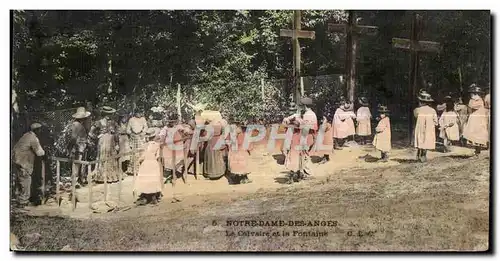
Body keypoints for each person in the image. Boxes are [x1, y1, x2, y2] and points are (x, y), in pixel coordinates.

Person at [282, 97, 318, 182]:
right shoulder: (307, 113)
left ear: (305, 106)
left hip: (307, 136)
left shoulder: (309, 115)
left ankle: (304, 173)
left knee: (302, 155)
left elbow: (307, 127)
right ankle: (301, 173)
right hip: (305, 136)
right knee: (301, 155)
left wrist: (297, 123)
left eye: (302, 106)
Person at [12, 123, 46, 208]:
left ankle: (19, 198)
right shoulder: (33, 138)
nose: (41, 131)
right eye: (40, 129)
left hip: (16, 159)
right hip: (23, 161)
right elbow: (39, 152)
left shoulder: (26, 135)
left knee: (20, 180)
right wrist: (45, 154)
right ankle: (24, 201)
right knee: (26, 180)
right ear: (37, 130)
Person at [159, 113, 193, 183]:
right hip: (169, 147)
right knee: (168, 162)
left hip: (178, 147)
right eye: (170, 122)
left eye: (173, 122)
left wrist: (186, 133)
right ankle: (167, 176)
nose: (171, 123)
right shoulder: (166, 128)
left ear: (175, 121)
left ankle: (175, 175)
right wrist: (162, 140)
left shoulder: (179, 127)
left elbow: (187, 132)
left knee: (179, 161)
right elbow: (162, 135)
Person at [89, 106, 119, 183]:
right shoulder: (98, 122)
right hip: (102, 143)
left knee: (111, 157)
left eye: (110, 114)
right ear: (104, 114)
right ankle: (102, 177)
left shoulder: (113, 122)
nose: (109, 116)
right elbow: (90, 133)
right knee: (103, 157)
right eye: (107, 114)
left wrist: (117, 143)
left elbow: (116, 133)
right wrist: (97, 137)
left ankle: (111, 177)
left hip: (111, 143)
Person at [134, 127, 162, 206]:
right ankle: (153, 197)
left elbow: (143, 155)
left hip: (146, 163)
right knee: (152, 179)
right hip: (153, 163)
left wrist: (139, 160)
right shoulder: (157, 145)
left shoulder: (145, 145)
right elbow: (158, 156)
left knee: (146, 179)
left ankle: (146, 197)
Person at [463, 84, 489, 156]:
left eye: (472, 93)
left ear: (476, 94)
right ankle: (476, 149)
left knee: (479, 133)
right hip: (474, 118)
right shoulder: (473, 100)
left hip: (478, 119)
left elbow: (471, 107)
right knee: (474, 133)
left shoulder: (479, 100)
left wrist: (470, 105)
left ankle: (478, 150)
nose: (471, 94)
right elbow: (470, 108)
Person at [414, 90, 438, 162]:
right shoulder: (433, 110)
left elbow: (415, 116)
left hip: (420, 128)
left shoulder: (417, 110)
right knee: (426, 140)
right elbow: (436, 122)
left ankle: (419, 153)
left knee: (420, 139)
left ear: (421, 102)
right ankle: (424, 155)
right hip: (429, 129)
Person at [69, 107, 91, 185]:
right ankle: (75, 180)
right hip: (78, 146)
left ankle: (80, 179)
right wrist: (72, 147)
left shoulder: (80, 124)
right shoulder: (76, 125)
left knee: (81, 162)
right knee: (77, 163)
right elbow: (73, 137)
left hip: (82, 146)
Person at [203, 113, 228, 180]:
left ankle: (211, 174)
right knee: (218, 157)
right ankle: (220, 172)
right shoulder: (221, 125)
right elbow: (224, 133)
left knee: (211, 158)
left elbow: (205, 136)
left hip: (211, 142)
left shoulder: (208, 126)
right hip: (218, 141)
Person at [127, 110, 148, 176]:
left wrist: (142, 133)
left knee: (141, 153)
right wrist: (131, 134)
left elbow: (146, 127)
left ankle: (142, 169)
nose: (139, 114)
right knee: (134, 153)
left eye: (140, 112)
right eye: (137, 112)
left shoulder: (143, 119)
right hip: (133, 138)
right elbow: (128, 129)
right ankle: (133, 170)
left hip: (141, 138)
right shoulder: (131, 120)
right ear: (135, 113)